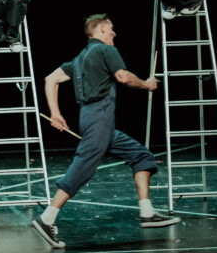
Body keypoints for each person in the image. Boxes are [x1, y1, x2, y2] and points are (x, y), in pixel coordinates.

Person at [33, 14, 180, 248]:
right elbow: (123, 77)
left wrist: (56, 113)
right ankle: (46, 218)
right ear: (101, 29)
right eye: (111, 28)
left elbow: (50, 79)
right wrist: (146, 84)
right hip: (99, 118)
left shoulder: (79, 58)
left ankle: (147, 212)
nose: (114, 32)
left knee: (141, 156)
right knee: (83, 166)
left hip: (93, 119)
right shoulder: (106, 50)